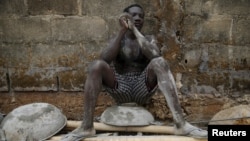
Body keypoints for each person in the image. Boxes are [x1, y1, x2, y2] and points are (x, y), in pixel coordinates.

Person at [61, 4, 207, 141]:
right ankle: (86, 127)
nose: (137, 18)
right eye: (133, 16)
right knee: (96, 65)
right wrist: (122, 31)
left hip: (142, 87)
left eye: (141, 16)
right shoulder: (117, 40)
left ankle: (180, 124)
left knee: (160, 62)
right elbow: (105, 59)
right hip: (120, 86)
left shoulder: (148, 39)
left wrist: (136, 32)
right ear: (125, 18)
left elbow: (155, 55)